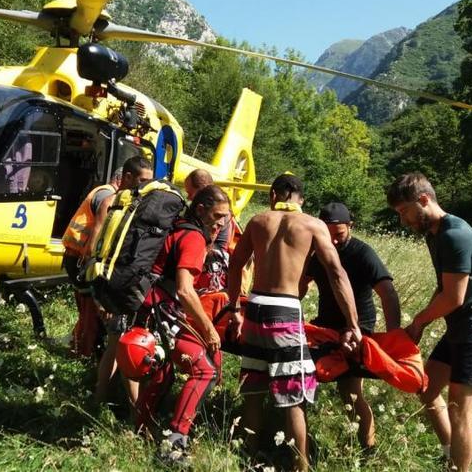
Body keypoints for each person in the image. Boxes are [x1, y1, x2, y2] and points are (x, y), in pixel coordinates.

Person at [227, 174, 362, 471]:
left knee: (254, 387)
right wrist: (353, 322)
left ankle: (248, 456)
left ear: (275, 194)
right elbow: (336, 273)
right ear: (300, 198)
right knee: (294, 394)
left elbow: (236, 264)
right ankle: (300, 466)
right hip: (284, 311)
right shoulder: (312, 225)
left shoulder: (258, 221)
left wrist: (234, 307)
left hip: (256, 308)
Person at [387, 173, 472, 472]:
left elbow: (454, 297)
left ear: (424, 200)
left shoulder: (455, 235)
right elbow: (444, 287)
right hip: (459, 330)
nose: (404, 221)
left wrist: (419, 320)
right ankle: (450, 455)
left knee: (459, 409)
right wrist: (423, 323)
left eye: (405, 212)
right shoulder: (434, 234)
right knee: (426, 390)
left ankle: (460, 468)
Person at [134, 185, 232, 455]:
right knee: (204, 371)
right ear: (200, 210)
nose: (222, 223)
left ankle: (140, 429)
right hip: (160, 312)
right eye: (218, 216)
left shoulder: (179, 226)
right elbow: (185, 290)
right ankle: (176, 443)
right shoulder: (193, 238)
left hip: (145, 307)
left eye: (226, 217)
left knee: (163, 374)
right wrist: (209, 329)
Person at [299, 201, 402, 452]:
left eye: (339, 234)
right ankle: (295, 440)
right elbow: (301, 286)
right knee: (299, 373)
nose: (332, 241)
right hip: (324, 325)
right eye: (327, 234)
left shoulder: (362, 253)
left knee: (350, 390)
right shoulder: (318, 254)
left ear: (351, 227)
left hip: (358, 327)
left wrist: (393, 338)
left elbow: (387, 293)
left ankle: (368, 449)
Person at [91, 156, 154, 407]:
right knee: (124, 345)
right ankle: (135, 408)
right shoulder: (113, 203)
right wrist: (100, 294)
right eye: (142, 180)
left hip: (127, 285)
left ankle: (101, 398)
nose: (147, 186)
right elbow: (96, 247)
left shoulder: (138, 205)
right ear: (127, 177)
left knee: (116, 344)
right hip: (116, 286)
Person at [62, 170, 121, 358]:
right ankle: (82, 352)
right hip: (81, 259)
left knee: (87, 310)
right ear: (121, 179)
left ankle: (79, 345)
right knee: (89, 312)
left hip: (76, 257)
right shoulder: (106, 196)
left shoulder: (101, 191)